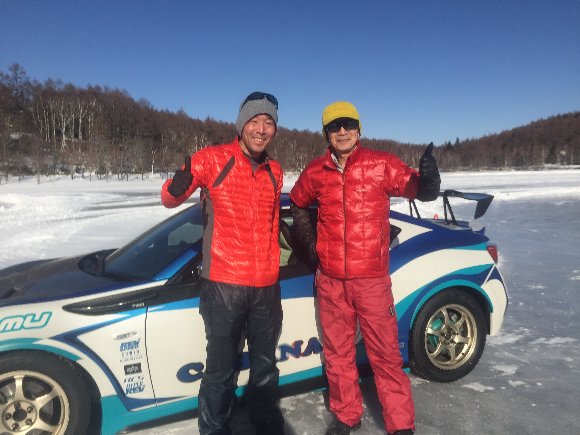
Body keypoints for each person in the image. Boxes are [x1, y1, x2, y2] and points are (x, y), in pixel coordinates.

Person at [290, 101, 440, 435]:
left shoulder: (381, 164)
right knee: (338, 354)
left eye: (348, 124)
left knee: (384, 355)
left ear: (359, 129)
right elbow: (298, 203)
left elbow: (420, 190)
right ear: (326, 134)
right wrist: (311, 245)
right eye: (334, 126)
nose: (342, 131)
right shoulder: (315, 171)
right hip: (331, 281)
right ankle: (347, 415)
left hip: (371, 280)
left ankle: (400, 424)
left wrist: (430, 180)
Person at [161, 92, 285, 435]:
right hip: (224, 285)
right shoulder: (212, 160)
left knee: (265, 364)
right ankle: (215, 427)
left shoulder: (275, 171)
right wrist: (176, 186)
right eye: (255, 121)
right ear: (242, 125)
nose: (261, 129)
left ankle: (265, 421)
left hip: (265, 287)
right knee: (220, 367)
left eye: (269, 123)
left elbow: (273, 224)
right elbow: (169, 199)